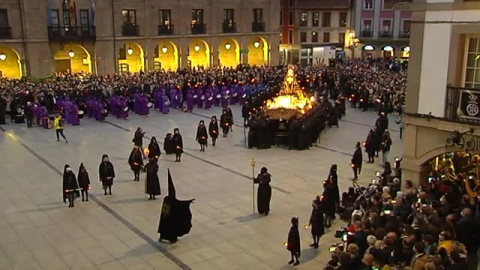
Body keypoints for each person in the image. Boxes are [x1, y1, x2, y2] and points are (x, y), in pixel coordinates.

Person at [158, 169, 194, 243]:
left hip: (165, 217)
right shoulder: (172, 201)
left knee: (164, 227)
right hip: (170, 219)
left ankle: (162, 236)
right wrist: (188, 202)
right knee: (171, 228)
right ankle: (172, 238)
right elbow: (180, 205)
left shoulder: (167, 199)